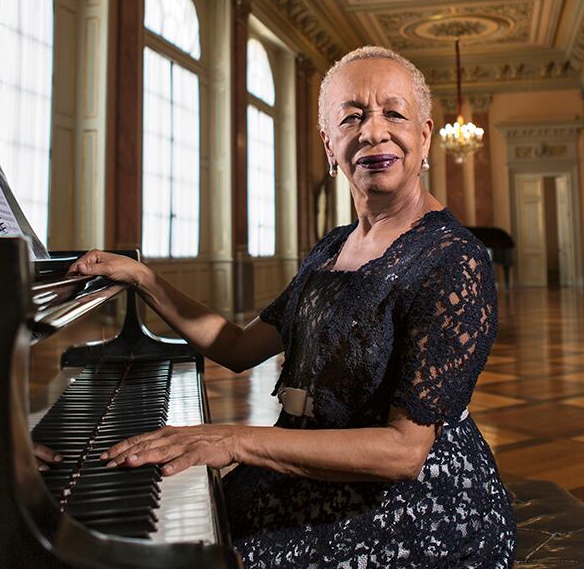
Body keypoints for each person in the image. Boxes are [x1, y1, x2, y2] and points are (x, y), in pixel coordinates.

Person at [68, 46, 515, 567]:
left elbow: (403, 451)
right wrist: (145, 280)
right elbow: (236, 347)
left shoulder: (453, 260)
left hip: (414, 506)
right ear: (330, 145)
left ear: (424, 135)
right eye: (353, 117)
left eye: (394, 113)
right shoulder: (332, 248)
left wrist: (235, 440)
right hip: (309, 467)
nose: (374, 132)